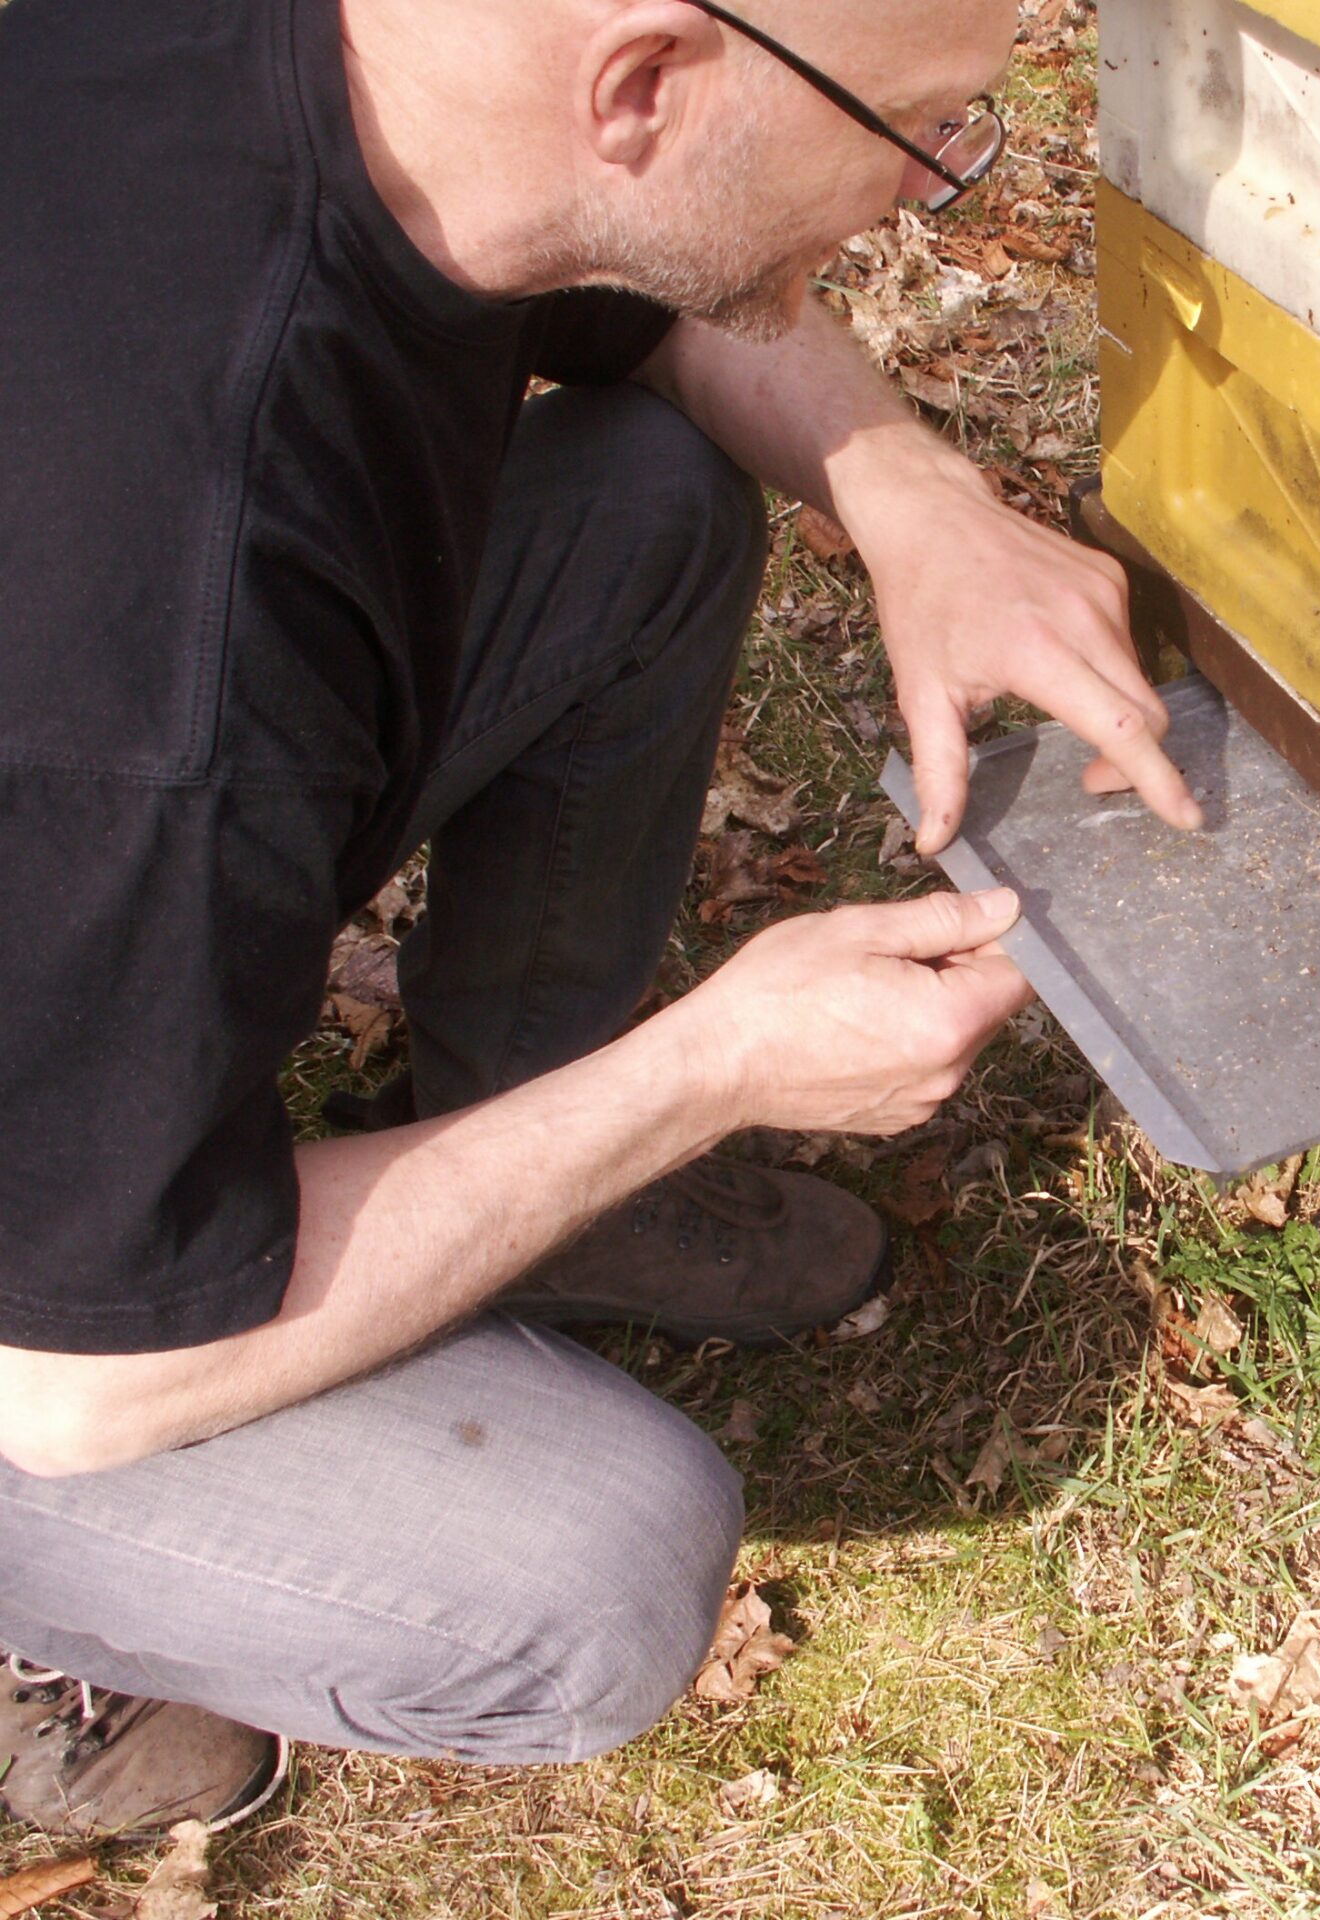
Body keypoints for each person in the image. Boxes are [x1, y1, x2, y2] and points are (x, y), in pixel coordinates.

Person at [0, 0, 1200, 1837]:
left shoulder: (380, 81)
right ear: (642, 82)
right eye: (919, 128)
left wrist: (908, 490)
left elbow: (650, 302)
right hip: (57, 1319)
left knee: (647, 503)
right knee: (600, 1573)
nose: (920, 189)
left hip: (95, 852)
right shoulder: (154, 639)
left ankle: (526, 1193)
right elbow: (90, 1376)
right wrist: (711, 1067)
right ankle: (52, 1633)